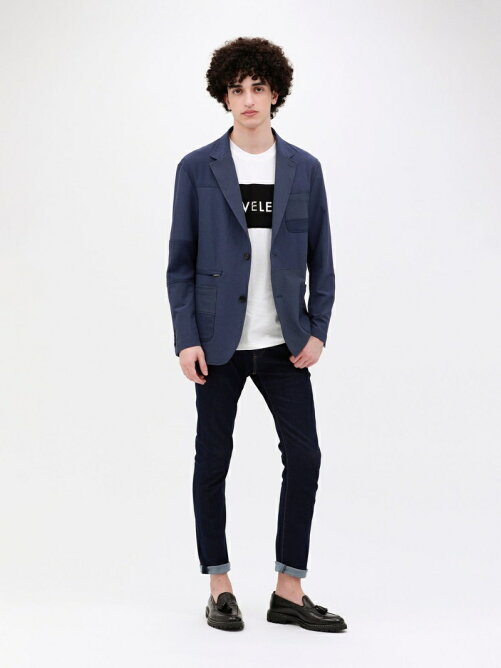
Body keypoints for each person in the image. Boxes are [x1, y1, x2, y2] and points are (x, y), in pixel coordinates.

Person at [166, 36, 347, 633]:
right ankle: (219, 586)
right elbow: (180, 263)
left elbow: (323, 257)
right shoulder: (196, 168)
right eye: (237, 89)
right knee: (212, 460)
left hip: (283, 345)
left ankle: (288, 590)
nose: (248, 99)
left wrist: (317, 329)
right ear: (224, 96)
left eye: (258, 88)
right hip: (216, 346)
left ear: (275, 93)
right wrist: (186, 337)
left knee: (305, 456)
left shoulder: (304, 169)